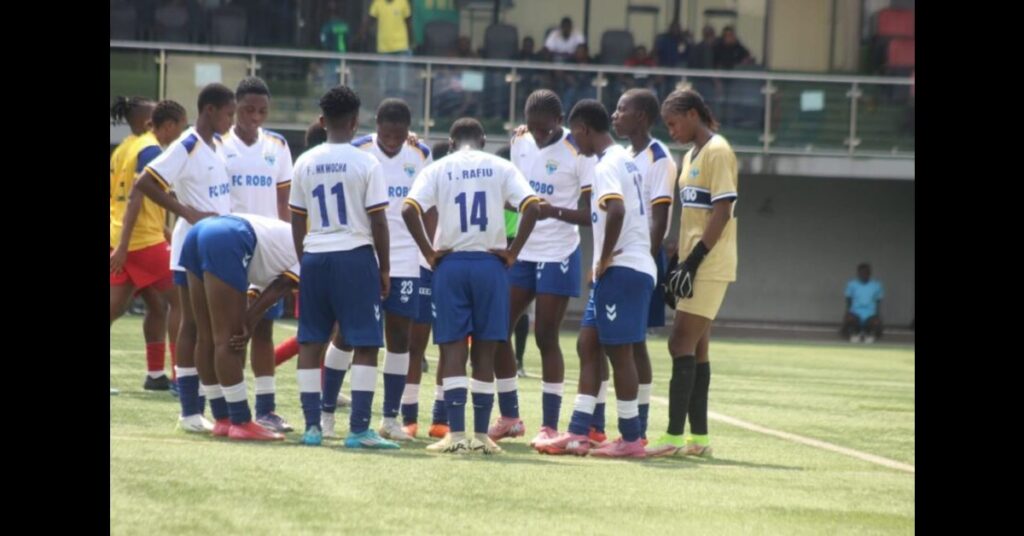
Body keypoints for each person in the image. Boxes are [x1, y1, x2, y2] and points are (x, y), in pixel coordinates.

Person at [402, 118, 541, 454]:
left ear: (451, 142)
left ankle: (455, 435)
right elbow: (533, 206)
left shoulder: (438, 168)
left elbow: (408, 209)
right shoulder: (500, 166)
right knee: (485, 349)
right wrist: (513, 252)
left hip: (450, 264)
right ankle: (481, 435)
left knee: (453, 349)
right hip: (490, 265)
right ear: (483, 139)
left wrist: (428, 252)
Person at [534, 99, 655, 458]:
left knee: (620, 353)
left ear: (584, 130)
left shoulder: (606, 165)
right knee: (587, 344)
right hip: (625, 268)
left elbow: (615, 210)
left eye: (575, 135)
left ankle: (631, 438)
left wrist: (603, 259)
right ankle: (577, 433)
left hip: (623, 268)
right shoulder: (624, 159)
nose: (574, 143)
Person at [288, 85, 398, 449]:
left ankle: (312, 427)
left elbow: (296, 218)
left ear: (322, 121)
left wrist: (305, 260)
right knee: (365, 343)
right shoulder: (366, 162)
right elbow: (378, 220)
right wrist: (384, 269)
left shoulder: (304, 161)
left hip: (315, 257)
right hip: (354, 255)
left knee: (311, 341)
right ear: (355, 122)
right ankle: (359, 430)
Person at [489, 90, 596, 448]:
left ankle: (549, 426)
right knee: (497, 329)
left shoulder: (576, 151)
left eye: (543, 129)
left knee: (545, 336)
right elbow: (515, 195)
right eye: (531, 127)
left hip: (558, 251)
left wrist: (554, 212)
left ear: (559, 121)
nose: (536, 134)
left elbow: (592, 214)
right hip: (523, 249)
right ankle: (510, 417)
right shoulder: (519, 141)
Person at [134, 83, 237, 433]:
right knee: (192, 325)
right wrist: (185, 212)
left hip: (216, 246)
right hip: (191, 247)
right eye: (228, 113)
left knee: (208, 328)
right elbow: (145, 182)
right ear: (210, 110)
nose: (231, 120)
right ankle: (189, 411)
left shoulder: (217, 146)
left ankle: (207, 406)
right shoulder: (187, 144)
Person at [647, 89, 739, 458]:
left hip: (709, 264)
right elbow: (697, 214)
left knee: (678, 343)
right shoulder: (690, 156)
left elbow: (723, 211)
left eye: (673, 123)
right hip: (692, 261)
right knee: (697, 347)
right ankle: (698, 438)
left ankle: (672, 436)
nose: (671, 131)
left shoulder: (718, 150)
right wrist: (678, 254)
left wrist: (695, 258)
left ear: (692, 114)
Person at [349, 98, 433, 441]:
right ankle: (326, 413)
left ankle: (390, 418)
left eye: (400, 135)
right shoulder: (358, 150)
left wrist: (426, 252)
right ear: (376, 127)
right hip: (363, 256)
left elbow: (428, 205)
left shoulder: (421, 153)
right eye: (387, 135)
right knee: (350, 335)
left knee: (400, 339)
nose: (393, 141)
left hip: (405, 259)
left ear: (409, 130)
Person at [178, 213, 300, 441]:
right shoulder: (316, 251)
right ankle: (241, 420)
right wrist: (249, 320)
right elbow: (282, 285)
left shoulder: (296, 242)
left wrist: (249, 316)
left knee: (206, 336)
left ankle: (222, 419)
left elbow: (264, 283)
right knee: (230, 337)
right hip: (229, 236)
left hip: (199, 231)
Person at [220, 76, 294, 433]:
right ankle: (225, 408)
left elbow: (284, 202)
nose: (255, 117)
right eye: (248, 109)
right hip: (230, 246)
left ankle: (266, 409)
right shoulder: (219, 144)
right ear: (235, 107)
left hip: (268, 248)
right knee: (229, 331)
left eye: (262, 111)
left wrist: (288, 247)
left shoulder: (277, 145)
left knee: (263, 330)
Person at [110, 98, 183, 394]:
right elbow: (137, 198)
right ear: (148, 122)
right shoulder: (150, 149)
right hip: (141, 242)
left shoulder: (123, 148)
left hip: (122, 238)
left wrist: (164, 232)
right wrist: (126, 245)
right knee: (182, 303)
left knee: (154, 305)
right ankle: (181, 377)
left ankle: (155, 375)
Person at [841, 263, 884, 343]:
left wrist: (878, 315)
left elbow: (878, 301)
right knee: (848, 321)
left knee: (877, 323)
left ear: (869, 273)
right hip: (855, 312)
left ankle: (869, 336)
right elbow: (848, 300)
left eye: (866, 272)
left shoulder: (876, 285)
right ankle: (854, 336)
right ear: (858, 273)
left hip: (870, 313)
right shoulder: (852, 284)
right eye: (862, 272)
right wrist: (847, 313)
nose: (864, 274)